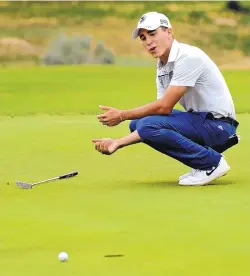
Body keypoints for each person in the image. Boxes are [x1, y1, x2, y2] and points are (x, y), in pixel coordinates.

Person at [92, 11, 240, 186]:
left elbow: (164, 107)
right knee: (138, 123)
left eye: (152, 34)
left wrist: (122, 115)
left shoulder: (188, 56)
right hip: (202, 124)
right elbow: (158, 116)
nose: (148, 42)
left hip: (220, 127)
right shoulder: (163, 65)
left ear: (169, 31)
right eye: (143, 38)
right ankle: (202, 163)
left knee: (146, 123)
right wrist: (117, 142)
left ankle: (211, 163)